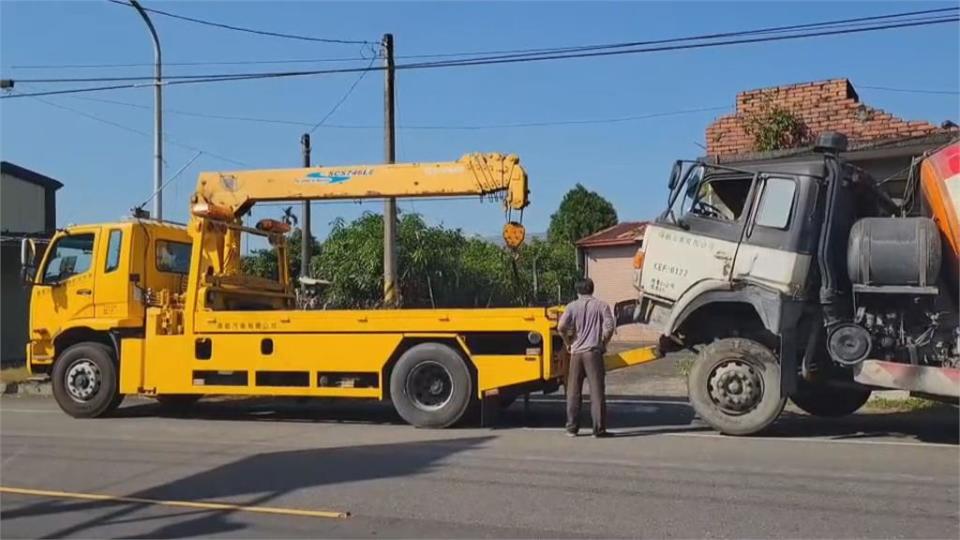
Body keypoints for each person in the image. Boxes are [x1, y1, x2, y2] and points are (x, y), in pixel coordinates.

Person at [558, 277, 615, 438]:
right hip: (593, 352)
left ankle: (571, 428)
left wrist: (568, 341)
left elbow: (561, 327)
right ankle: (598, 429)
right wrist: (603, 341)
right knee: (596, 391)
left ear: (577, 291)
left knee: (573, 391)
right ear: (592, 289)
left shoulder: (571, 307)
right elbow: (610, 327)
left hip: (576, 353)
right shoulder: (601, 306)